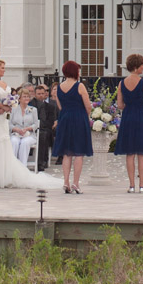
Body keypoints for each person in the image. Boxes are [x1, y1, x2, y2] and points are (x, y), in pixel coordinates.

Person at [0, 59, 61, 190]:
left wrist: (8, 105)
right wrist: (1, 106)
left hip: (1, 117)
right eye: (2, 68)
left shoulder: (3, 83)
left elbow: (9, 98)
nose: (4, 70)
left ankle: (4, 175)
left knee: (3, 143)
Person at [51, 60, 94, 194]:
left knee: (66, 152)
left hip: (65, 118)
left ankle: (66, 182)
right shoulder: (79, 86)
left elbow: (60, 106)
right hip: (78, 118)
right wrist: (85, 115)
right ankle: (75, 183)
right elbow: (88, 106)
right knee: (78, 152)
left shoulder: (59, 87)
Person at [114, 53, 143, 193]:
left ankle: (131, 185)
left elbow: (119, 104)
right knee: (142, 153)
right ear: (137, 66)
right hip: (142, 117)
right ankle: (142, 185)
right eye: (142, 64)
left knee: (130, 153)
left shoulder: (121, 83)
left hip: (128, 117)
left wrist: (130, 107)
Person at [9, 84, 40, 165]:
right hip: (16, 134)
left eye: (28, 96)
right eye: (24, 96)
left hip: (29, 135)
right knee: (14, 141)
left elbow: (36, 124)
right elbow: (9, 124)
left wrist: (27, 129)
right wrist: (17, 129)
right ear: (19, 98)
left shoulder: (33, 110)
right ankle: (13, 166)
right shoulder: (13, 109)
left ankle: (23, 166)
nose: (27, 98)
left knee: (25, 142)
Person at [32, 83, 58, 172]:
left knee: (44, 134)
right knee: (42, 134)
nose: (41, 96)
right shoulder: (31, 104)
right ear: (35, 94)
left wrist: (42, 126)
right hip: (33, 128)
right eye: (38, 94)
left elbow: (51, 121)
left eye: (42, 93)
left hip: (45, 128)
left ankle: (42, 162)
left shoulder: (50, 107)